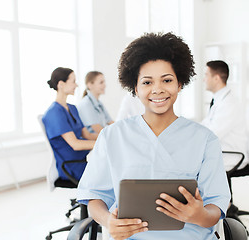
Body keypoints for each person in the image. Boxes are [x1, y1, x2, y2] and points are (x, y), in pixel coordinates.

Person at [77, 33, 230, 240]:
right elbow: (94, 195)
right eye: (147, 82)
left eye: (167, 80)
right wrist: (107, 221)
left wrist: (200, 215)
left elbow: (216, 206)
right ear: (135, 88)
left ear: (179, 84)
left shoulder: (205, 140)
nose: (157, 89)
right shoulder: (112, 136)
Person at [42, 67, 97, 181]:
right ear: (61, 84)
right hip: (71, 166)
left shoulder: (72, 108)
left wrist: (108, 137)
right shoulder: (54, 112)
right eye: (73, 81)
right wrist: (102, 144)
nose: (76, 85)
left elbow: (87, 135)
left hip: (83, 159)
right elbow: (75, 144)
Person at [201, 60, 248, 171]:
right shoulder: (219, 100)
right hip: (221, 150)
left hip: (230, 155)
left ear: (216, 78)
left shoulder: (228, 104)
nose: (204, 79)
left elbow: (212, 134)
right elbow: (207, 124)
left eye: (206, 75)